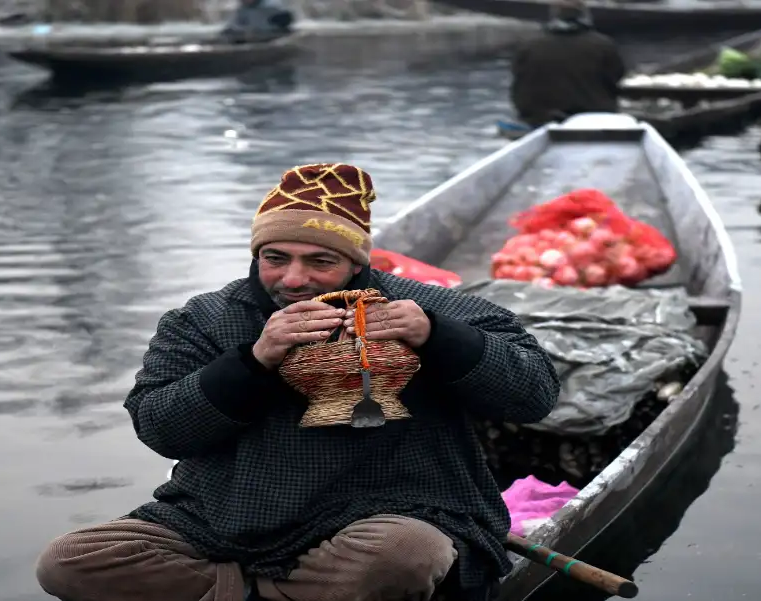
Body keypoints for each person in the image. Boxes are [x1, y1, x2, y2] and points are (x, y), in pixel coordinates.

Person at [35, 163, 561, 601]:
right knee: (68, 562)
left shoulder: (429, 308)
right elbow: (159, 428)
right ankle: (265, 593)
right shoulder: (203, 318)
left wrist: (436, 337)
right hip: (227, 519)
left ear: (358, 264)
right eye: (275, 258)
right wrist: (257, 358)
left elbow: (536, 395)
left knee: (405, 554)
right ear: (256, 256)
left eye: (320, 262)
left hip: (389, 509)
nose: (293, 279)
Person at [509, 0, 627, 127]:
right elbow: (616, 75)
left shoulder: (529, 46)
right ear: (584, 15)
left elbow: (518, 77)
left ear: (554, 15)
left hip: (539, 118)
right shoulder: (604, 45)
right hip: (594, 115)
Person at [219, 0, 295, 44]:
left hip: (269, 40)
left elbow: (283, 27)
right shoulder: (242, 10)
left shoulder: (272, 7)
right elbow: (234, 26)